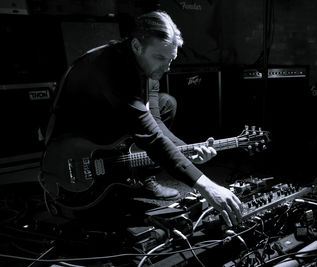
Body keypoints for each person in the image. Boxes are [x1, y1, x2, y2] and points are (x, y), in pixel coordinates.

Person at [40, 11, 242, 227]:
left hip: (105, 124)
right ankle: (108, 178)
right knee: (99, 215)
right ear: (137, 46)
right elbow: (150, 136)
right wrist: (206, 185)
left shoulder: (145, 67)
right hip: (70, 143)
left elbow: (154, 120)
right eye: (160, 58)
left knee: (166, 104)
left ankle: (141, 177)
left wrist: (187, 150)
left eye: (171, 59)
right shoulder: (112, 68)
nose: (166, 68)